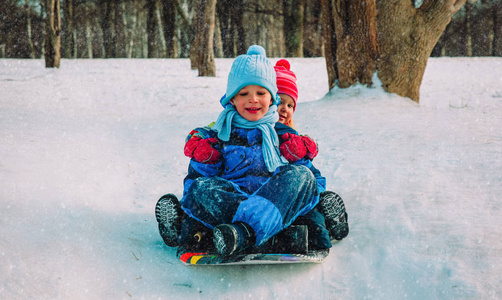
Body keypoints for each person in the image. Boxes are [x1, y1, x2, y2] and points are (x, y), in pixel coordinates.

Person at [273, 58, 349, 243]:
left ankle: (329, 222)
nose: (285, 108)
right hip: (271, 196)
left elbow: (309, 173)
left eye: (290, 105)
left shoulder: (292, 141)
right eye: (279, 101)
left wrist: (316, 191)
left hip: (293, 193)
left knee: (309, 212)